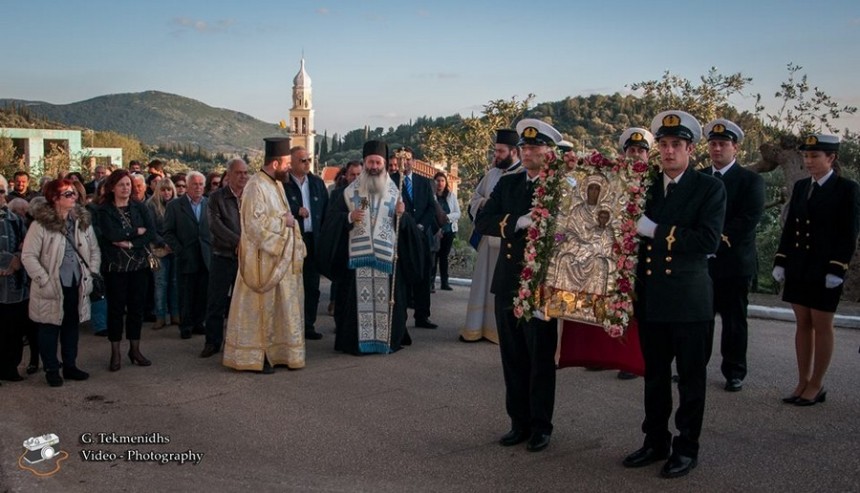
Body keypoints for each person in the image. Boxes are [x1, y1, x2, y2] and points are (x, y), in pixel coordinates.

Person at [622, 111, 725, 479]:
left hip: (689, 299)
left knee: (691, 378)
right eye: (663, 145)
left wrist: (657, 229)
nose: (668, 152)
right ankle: (655, 441)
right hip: (652, 298)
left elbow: (707, 240)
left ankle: (686, 447)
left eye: (675, 145)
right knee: (654, 376)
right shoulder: (646, 185)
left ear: (690, 149)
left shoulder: (709, 188)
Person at [475, 119, 563, 453]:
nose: (527, 153)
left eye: (534, 147)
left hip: (542, 283)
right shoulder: (509, 184)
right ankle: (518, 422)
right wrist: (516, 222)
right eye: (524, 148)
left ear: (548, 152)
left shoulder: (560, 187)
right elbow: (483, 221)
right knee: (511, 355)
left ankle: (541, 425)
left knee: (540, 357)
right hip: (509, 278)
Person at [772, 134, 860, 406]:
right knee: (802, 324)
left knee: (822, 325)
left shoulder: (847, 188)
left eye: (814, 156)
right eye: (806, 156)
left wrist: (838, 267)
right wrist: (781, 260)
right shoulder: (801, 187)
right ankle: (802, 380)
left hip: (825, 268)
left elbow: (849, 232)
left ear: (831, 158)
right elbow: (790, 227)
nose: (808, 161)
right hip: (799, 264)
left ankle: (817, 383)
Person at [318, 140, 425, 355]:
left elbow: (408, 230)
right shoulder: (350, 193)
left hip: (387, 263)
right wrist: (348, 217)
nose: (374, 167)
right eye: (370, 162)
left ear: (384, 164)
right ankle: (356, 342)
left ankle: (386, 340)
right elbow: (330, 222)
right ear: (364, 163)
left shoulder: (396, 192)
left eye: (378, 162)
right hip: (356, 265)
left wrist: (402, 217)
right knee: (355, 306)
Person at [222, 138, 306, 373]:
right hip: (261, 263)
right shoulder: (255, 186)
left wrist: (289, 225)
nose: (291, 167)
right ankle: (259, 357)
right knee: (262, 311)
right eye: (288, 163)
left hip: (279, 261)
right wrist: (284, 223)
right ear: (277, 163)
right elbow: (253, 225)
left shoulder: (276, 184)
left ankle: (279, 354)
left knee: (279, 310)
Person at [701, 119, 765, 392]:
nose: (717, 149)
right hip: (701, 264)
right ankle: (693, 367)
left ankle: (734, 371)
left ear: (735, 147)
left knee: (734, 321)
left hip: (733, 262)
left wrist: (713, 242)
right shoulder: (699, 178)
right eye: (713, 144)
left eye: (723, 144)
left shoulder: (750, 180)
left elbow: (748, 220)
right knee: (699, 320)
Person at [21, 179, 100, 387]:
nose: (73, 196)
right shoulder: (40, 225)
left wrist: (91, 273)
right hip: (51, 285)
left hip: (76, 282)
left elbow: (94, 250)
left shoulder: (82, 222)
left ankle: (70, 365)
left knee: (71, 326)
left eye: (73, 193)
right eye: (67, 194)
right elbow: (28, 256)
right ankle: (51, 368)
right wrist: (44, 280)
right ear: (54, 198)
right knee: (49, 327)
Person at [460, 129, 523, 343]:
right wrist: (486, 204)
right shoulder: (492, 174)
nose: (496, 155)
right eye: (495, 150)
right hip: (489, 240)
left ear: (514, 151)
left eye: (500, 151)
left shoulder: (523, 174)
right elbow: (475, 199)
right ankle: (477, 328)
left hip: (510, 243)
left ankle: (501, 332)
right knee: (483, 283)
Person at [97, 170, 158, 371]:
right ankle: (115, 353)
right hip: (115, 267)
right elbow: (111, 235)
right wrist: (134, 232)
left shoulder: (139, 207)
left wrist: (130, 244)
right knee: (115, 310)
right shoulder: (104, 210)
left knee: (136, 308)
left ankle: (135, 349)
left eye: (128, 184)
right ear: (112, 187)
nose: (126, 188)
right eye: (122, 184)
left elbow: (150, 232)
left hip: (138, 265)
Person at [200, 158, 248, 358]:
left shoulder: (252, 196)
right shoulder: (216, 198)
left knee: (245, 302)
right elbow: (215, 226)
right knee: (216, 302)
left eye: (246, 173)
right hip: (223, 256)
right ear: (228, 175)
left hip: (246, 258)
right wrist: (238, 242)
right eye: (239, 173)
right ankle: (212, 341)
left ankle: (243, 341)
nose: (243, 177)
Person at [390, 147, 439, 329]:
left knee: (423, 276)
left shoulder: (424, 182)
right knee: (401, 278)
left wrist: (421, 226)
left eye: (409, 159)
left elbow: (431, 208)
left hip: (421, 236)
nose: (406, 163)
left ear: (414, 161)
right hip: (401, 236)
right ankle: (399, 317)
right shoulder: (391, 182)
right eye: (402, 159)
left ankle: (422, 315)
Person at [284, 146, 329, 340]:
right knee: (292, 285)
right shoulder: (283, 184)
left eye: (308, 159)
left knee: (312, 285)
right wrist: (296, 210)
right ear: (291, 163)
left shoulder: (317, 183)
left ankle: (308, 324)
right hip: (293, 241)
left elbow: (326, 211)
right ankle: (291, 325)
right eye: (302, 160)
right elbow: (277, 208)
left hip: (314, 240)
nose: (307, 163)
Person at [163, 171, 211, 339]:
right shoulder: (175, 206)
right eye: (194, 184)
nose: (198, 187)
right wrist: (179, 249)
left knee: (203, 292)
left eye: (200, 184)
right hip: (185, 255)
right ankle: (186, 325)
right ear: (187, 186)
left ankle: (199, 322)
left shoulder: (209, 204)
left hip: (206, 256)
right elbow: (167, 232)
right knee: (185, 293)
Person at [0, 176, 30, 382]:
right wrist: (8, 260)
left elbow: (26, 244)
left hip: (15, 286)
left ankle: (10, 368)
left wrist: (18, 260)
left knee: (13, 329)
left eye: (1, 191)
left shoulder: (15, 219)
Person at [327, 161, 362, 319]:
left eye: (359, 174)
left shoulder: (371, 194)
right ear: (346, 176)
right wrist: (349, 217)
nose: (356, 178)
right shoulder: (338, 194)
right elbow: (331, 219)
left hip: (364, 251)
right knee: (344, 293)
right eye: (352, 174)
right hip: (344, 250)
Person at [146, 178, 180, 329]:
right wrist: (164, 244)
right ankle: (160, 316)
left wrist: (174, 245)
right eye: (164, 189)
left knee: (175, 284)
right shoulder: (151, 206)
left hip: (175, 250)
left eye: (169, 190)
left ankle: (175, 314)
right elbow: (150, 230)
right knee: (160, 284)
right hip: (158, 250)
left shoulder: (177, 205)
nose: (167, 192)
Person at [432, 172, 460, 291]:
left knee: (444, 257)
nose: (440, 183)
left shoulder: (451, 196)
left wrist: (446, 217)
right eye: (438, 181)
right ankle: (431, 283)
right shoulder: (431, 196)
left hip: (449, 230)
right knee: (433, 257)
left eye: (442, 181)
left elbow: (458, 213)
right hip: (434, 230)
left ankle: (444, 282)